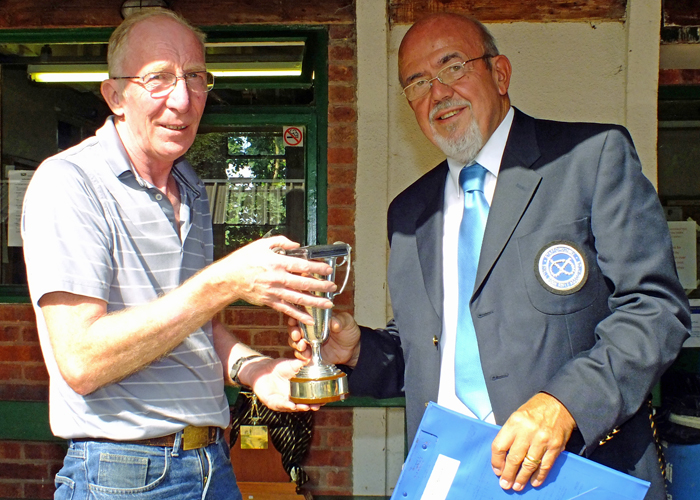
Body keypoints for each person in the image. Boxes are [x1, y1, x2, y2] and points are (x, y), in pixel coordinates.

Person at [289, 12, 691, 499]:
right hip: (452, 474)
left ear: (499, 74)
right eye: (417, 83)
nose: (437, 92)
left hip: (575, 469)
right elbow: (432, 351)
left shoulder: (590, 157)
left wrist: (564, 404)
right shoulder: (410, 212)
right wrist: (357, 350)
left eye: (452, 67)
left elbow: (653, 308)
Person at [21, 8, 336, 499]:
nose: (183, 99)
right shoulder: (70, 182)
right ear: (115, 96)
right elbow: (81, 361)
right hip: (124, 473)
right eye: (159, 78)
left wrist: (255, 370)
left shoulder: (187, 184)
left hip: (212, 463)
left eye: (195, 77)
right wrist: (223, 282)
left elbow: (189, 322)